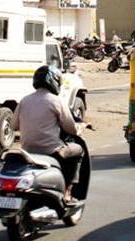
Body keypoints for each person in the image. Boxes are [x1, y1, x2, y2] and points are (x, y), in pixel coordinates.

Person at [11, 66, 84, 202]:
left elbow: (14, 125)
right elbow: (71, 129)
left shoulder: (24, 100)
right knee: (78, 150)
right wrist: (81, 127)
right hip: (50, 151)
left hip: (27, 151)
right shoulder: (56, 101)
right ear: (54, 81)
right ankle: (68, 191)